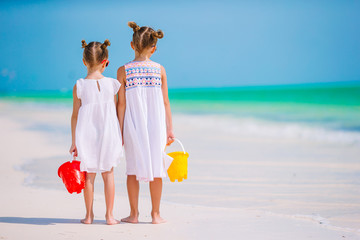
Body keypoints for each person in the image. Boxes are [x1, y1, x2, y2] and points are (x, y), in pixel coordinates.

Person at [117, 22, 175, 224]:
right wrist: (169, 129)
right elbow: (166, 102)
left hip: (132, 125)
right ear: (154, 48)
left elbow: (121, 105)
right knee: (157, 169)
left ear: (132, 45)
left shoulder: (123, 71)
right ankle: (156, 214)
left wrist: (119, 130)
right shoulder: (160, 69)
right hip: (156, 126)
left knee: (132, 169)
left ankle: (134, 215)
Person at [69, 39, 122, 225]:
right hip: (109, 132)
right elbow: (115, 110)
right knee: (108, 174)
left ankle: (89, 216)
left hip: (86, 134)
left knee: (89, 175)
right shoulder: (113, 84)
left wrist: (74, 141)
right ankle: (109, 216)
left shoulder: (80, 86)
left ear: (84, 61)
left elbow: (75, 116)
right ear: (105, 61)